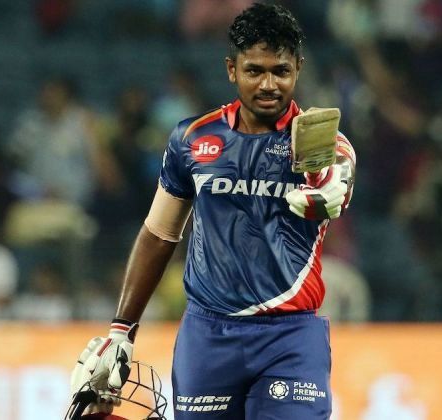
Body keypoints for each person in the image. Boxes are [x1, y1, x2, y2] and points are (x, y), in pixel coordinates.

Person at [68, 3, 356, 419]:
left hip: (290, 336)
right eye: (255, 70)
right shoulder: (192, 138)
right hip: (207, 335)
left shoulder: (319, 141)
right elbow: (159, 233)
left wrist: (328, 192)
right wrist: (120, 331)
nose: (269, 84)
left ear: (299, 69)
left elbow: (338, 178)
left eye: (281, 71)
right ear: (231, 70)